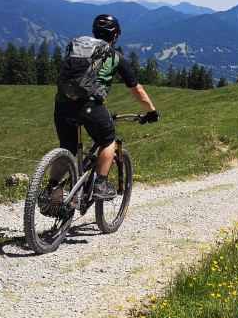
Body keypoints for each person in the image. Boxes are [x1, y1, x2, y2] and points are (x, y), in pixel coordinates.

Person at [54, 14, 159, 199]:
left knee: (67, 148)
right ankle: (100, 185)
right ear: (115, 36)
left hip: (62, 104)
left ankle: (51, 189)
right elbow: (137, 89)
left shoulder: (80, 50)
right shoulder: (116, 57)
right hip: (89, 105)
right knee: (108, 139)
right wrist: (152, 111)